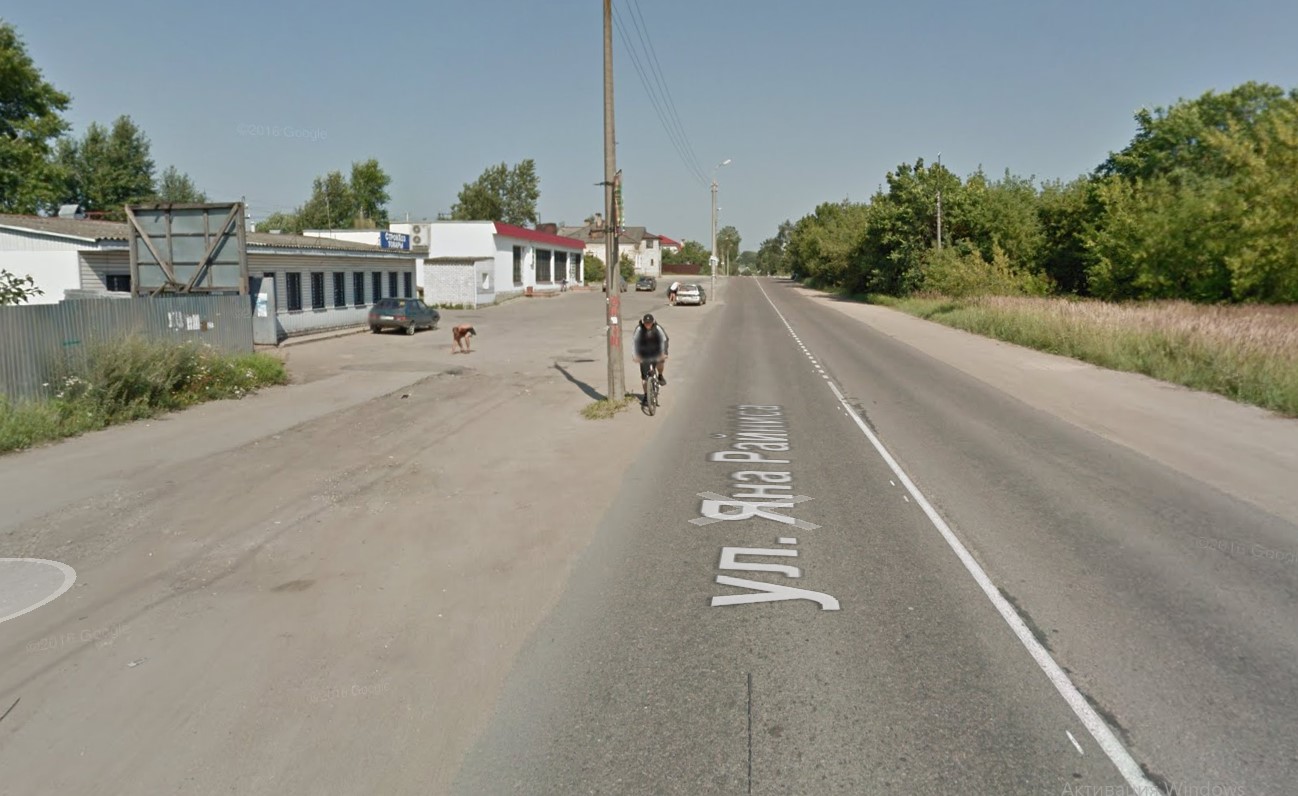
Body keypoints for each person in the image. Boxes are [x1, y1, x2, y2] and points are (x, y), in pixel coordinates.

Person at [632, 313, 668, 401]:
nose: (648, 325)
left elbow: (664, 340)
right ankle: (646, 395)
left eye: (650, 323)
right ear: (643, 322)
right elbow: (634, 342)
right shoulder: (639, 329)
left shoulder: (657, 328)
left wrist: (664, 353)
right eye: (646, 323)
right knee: (644, 377)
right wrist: (635, 355)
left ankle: (660, 375)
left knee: (660, 362)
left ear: (653, 322)